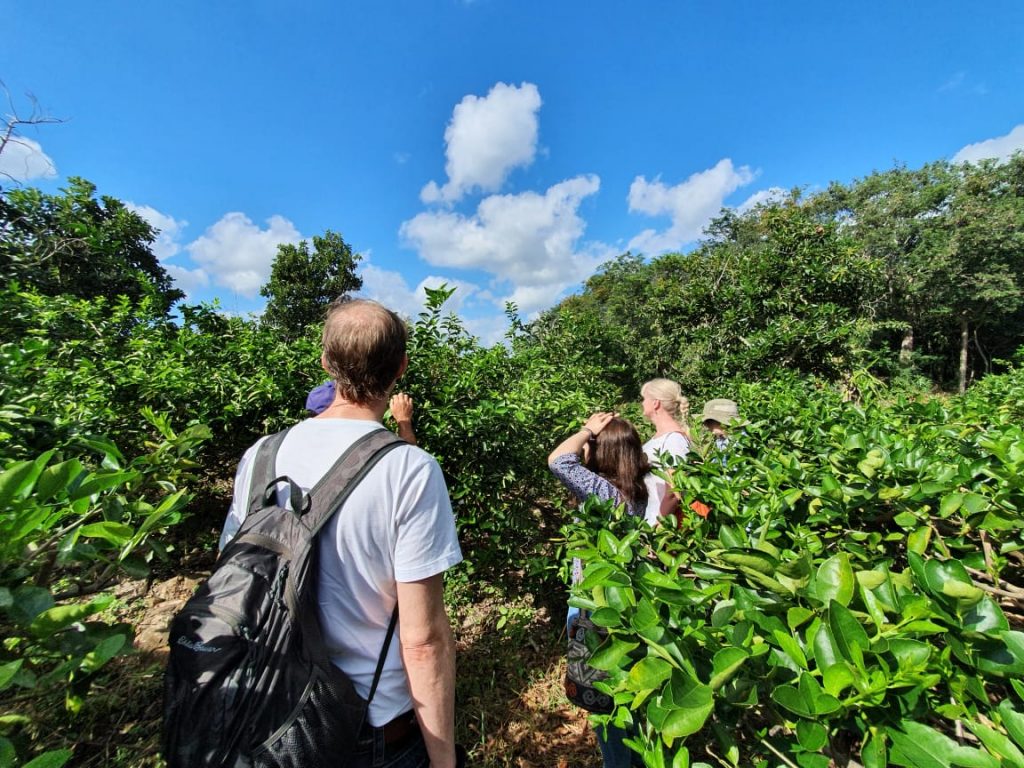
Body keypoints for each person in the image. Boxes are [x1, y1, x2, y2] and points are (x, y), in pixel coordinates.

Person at [219, 299, 462, 768]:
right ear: (401, 367)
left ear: (326, 363)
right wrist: (443, 759)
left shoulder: (260, 455)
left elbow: (233, 576)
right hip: (368, 728)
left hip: (266, 710)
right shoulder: (410, 469)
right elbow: (423, 640)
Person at [548, 412, 651, 768]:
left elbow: (559, 460)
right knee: (623, 692)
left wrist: (587, 429)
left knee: (602, 699)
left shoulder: (603, 492)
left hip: (595, 608)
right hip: (620, 604)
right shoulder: (634, 492)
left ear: (603, 451)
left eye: (592, 445)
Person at [639, 379, 692, 523]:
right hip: (651, 517)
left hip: (662, 523)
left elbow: (674, 492)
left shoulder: (674, 440)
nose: (642, 403)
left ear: (655, 403)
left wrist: (659, 526)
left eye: (644, 398)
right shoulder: (662, 438)